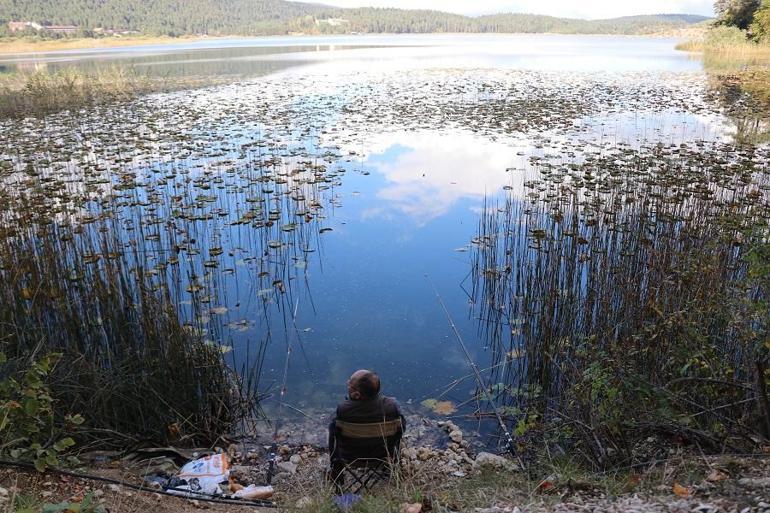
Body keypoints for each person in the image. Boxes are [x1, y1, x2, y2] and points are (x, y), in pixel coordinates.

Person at [328, 369, 406, 470]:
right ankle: (389, 470)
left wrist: (351, 401)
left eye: (350, 383)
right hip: (384, 457)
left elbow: (335, 436)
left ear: (357, 394)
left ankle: (336, 468)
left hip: (351, 458)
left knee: (332, 427)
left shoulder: (343, 410)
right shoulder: (392, 407)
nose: (348, 383)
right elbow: (401, 430)